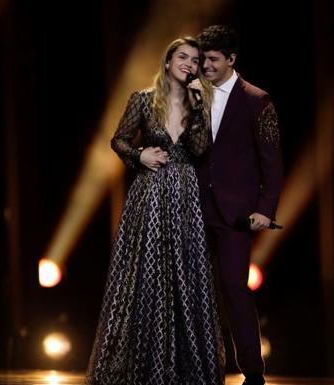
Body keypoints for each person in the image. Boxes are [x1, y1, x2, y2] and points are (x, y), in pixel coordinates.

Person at [86, 36, 225, 385]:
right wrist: (139, 155)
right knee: (146, 276)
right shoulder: (143, 101)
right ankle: (140, 366)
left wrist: (200, 105)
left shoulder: (199, 105)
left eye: (195, 60)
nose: (190, 64)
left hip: (185, 196)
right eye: (183, 57)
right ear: (167, 62)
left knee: (186, 273)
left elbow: (199, 149)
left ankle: (186, 367)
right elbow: (118, 139)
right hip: (150, 193)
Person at [195, 25, 284, 385]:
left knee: (234, 287)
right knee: (194, 291)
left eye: (213, 60)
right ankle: (200, 368)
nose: (206, 66)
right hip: (194, 208)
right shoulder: (190, 96)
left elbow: (272, 161)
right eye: (202, 60)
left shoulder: (256, 100)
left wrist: (265, 208)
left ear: (232, 59)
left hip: (236, 213)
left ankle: (252, 371)